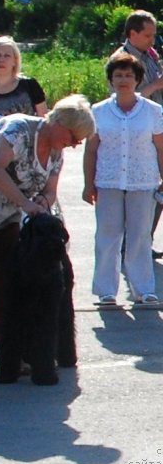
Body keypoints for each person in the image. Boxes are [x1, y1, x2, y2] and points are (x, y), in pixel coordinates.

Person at [0, 94, 95, 380]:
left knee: (8, 286)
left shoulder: (57, 153)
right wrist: (25, 204)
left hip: (4, 219)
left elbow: (49, 191)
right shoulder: (17, 129)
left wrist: (44, 206)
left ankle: (10, 356)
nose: (75, 144)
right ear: (58, 122)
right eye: (73, 136)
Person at [83, 53, 163, 307]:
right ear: (110, 80)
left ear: (138, 79)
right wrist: (88, 183)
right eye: (118, 75)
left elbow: (161, 148)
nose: (123, 80)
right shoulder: (98, 111)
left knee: (140, 236)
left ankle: (144, 289)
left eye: (129, 75)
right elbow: (91, 149)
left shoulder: (153, 111)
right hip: (108, 182)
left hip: (143, 181)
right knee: (108, 235)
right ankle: (106, 291)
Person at [112, 10, 163, 257]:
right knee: (136, 189)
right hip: (135, 133)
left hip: (156, 126)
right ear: (132, 34)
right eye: (147, 35)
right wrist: (157, 84)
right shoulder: (121, 61)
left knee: (159, 187)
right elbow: (123, 99)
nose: (153, 40)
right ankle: (130, 243)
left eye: (154, 35)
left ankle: (144, 239)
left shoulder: (149, 54)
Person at [0, 35, 48, 117]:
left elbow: (44, 120)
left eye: (7, 56)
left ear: (15, 61)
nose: (1, 60)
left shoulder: (29, 85)